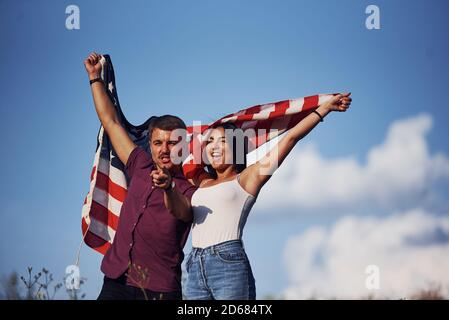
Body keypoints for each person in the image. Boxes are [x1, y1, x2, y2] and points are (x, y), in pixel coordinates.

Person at [158, 92, 352, 299]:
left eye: (222, 141)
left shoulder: (248, 178)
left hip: (227, 263)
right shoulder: (201, 180)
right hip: (194, 264)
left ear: (236, 146)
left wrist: (324, 108)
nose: (214, 146)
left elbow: (291, 138)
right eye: (210, 142)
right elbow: (173, 155)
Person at [84, 52, 197, 300]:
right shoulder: (139, 164)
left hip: (159, 289)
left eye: (172, 143)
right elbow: (111, 121)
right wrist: (94, 79)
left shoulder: (190, 190)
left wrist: (168, 188)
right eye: (158, 142)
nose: (164, 149)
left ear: (185, 147)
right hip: (116, 279)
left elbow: (183, 211)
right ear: (150, 144)